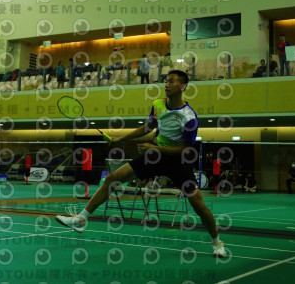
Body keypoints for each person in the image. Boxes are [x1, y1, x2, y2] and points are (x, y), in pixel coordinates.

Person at [55, 70, 227, 257]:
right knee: (112, 179)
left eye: (171, 81)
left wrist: (155, 149)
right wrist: (120, 138)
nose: (166, 84)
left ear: (183, 86)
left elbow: (186, 150)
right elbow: (148, 127)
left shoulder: (189, 117)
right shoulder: (157, 104)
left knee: (198, 205)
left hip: (178, 161)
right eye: (166, 80)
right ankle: (81, 219)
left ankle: (217, 242)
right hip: (155, 156)